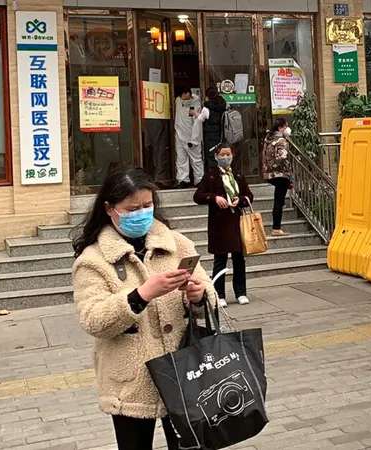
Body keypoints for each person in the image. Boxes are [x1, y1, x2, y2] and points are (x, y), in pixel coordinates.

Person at [71, 168, 216, 450]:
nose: (141, 213)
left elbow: (208, 292)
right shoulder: (93, 260)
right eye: (132, 208)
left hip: (184, 370)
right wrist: (140, 295)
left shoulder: (177, 243)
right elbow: (93, 320)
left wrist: (198, 296)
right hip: (131, 381)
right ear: (110, 209)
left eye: (147, 206)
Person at [194, 144, 254, 306]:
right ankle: (219, 294)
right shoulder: (211, 175)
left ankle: (240, 292)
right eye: (222, 154)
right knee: (220, 260)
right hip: (219, 224)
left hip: (236, 222)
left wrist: (240, 200)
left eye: (228, 154)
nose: (226, 157)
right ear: (216, 156)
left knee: (238, 260)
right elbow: (198, 196)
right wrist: (214, 198)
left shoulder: (238, 175)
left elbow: (249, 195)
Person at [261, 118, 293, 236]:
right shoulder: (281, 141)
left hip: (270, 172)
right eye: (285, 126)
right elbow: (283, 157)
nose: (287, 129)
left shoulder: (268, 139)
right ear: (280, 127)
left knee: (278, 199)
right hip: (281, 173)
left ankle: (276, 227)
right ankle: (276, 227)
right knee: (279, 200)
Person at [174, 88, 203, 188]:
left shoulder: (194, 103)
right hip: (179, 135)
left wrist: (194, 139)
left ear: (187, 93)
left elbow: (196, 122)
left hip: (192, 136)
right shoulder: (178, 101)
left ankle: (199, 180)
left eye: (183, 95)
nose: (182, 98)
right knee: (181, 159)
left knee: (196, 159)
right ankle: (183, 180)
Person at [196, 87, 228, 170]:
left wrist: (195, 113)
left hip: (210, 137)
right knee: (220, 157)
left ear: (208, 96)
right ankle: (222, 176)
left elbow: (200, 119)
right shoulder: (223, 105)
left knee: (211, 158)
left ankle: (214, 177)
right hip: (221, 135)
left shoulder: (206, 108)